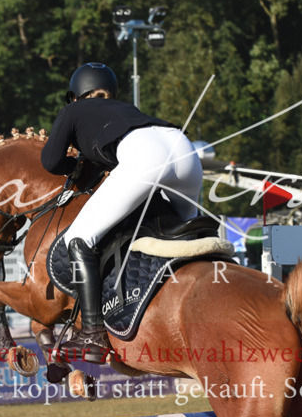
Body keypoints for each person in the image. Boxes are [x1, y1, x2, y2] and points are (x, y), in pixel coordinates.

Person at [40, 62, 203, 363]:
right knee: (191, 234)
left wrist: (77, 169)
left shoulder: (73, 111)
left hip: (145, 156)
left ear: (74, 95)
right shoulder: (126, 109)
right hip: (184, 149)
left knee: (78, 239)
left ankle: (92, 334)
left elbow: (50, 162)